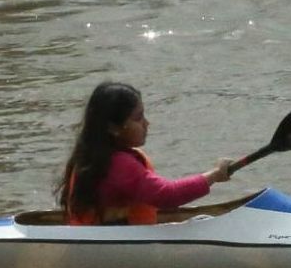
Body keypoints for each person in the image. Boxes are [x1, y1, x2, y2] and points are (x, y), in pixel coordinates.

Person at [57, 82, 232, 225]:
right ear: (113, 128)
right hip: (117, 252)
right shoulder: (118, 164)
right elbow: (167, 195)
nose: (147, 124)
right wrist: (214, 175)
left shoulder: (93, 155)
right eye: (138, 118)